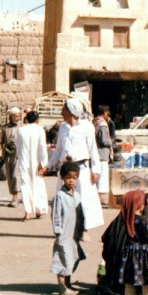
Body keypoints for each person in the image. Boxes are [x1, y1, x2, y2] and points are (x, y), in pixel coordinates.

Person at [39, 98, 103, 235]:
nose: (62, 112)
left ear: (72, 111)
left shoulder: (86, 127)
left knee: (83, 199)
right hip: (65, 168)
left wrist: (95, 170)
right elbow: (58, 151)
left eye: (64, 109)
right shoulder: (63, 128)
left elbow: (93, 150)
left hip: (82, 169)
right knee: (62, 198)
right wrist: (47, 166)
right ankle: (63, 228)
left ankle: (84, 229)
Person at [101, 189, 148, 295]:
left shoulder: (125, 221)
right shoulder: (145, 221)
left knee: (129, 279)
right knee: (145, 278)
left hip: (128, 254)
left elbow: (106, 240)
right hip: (144, 255)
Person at [50, 161, 86, 295]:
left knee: (72, 258)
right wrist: (58, 231)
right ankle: (62, 287)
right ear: (62, 177)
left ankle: (68, 283)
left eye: (74, 177)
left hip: (73, 234)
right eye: (68, 177)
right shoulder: (60, 196)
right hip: (64, 234)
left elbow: (80, 214)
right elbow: (55, 215)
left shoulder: (76, 195)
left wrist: (82, 230)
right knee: (62, 259)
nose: (71, 180)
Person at [17, 111, 49, 221]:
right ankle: (38, 210)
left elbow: (18, 148)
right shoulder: (40, 129)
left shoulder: (21, 130)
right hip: (36, 162)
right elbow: (42, 147)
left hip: (23, 161)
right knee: (37, 184)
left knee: (25, 186)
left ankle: (27, 213)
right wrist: (43, 163)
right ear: (37, 120)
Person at [0, 107, 22, 207]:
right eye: (16, 116)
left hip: (18, 155)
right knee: (9, 176)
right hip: (7, 155)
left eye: (19, 116)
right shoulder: (5, 128)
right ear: (11, 116)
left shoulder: (22, 127)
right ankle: (14, 195)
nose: (18, 118)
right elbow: (0, 142)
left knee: (15, 175)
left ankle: (15, 197)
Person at [92, 104, 112, 207]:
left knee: (97, 178)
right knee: (102, 178)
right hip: (102, 154)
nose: (108, 115)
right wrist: (111, 142)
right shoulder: (102, 125)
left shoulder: (94, 122)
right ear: (104, 113)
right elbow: (104, 140)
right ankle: (98, 200)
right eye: (107, 113)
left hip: (95, 153)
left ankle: (98, 199)